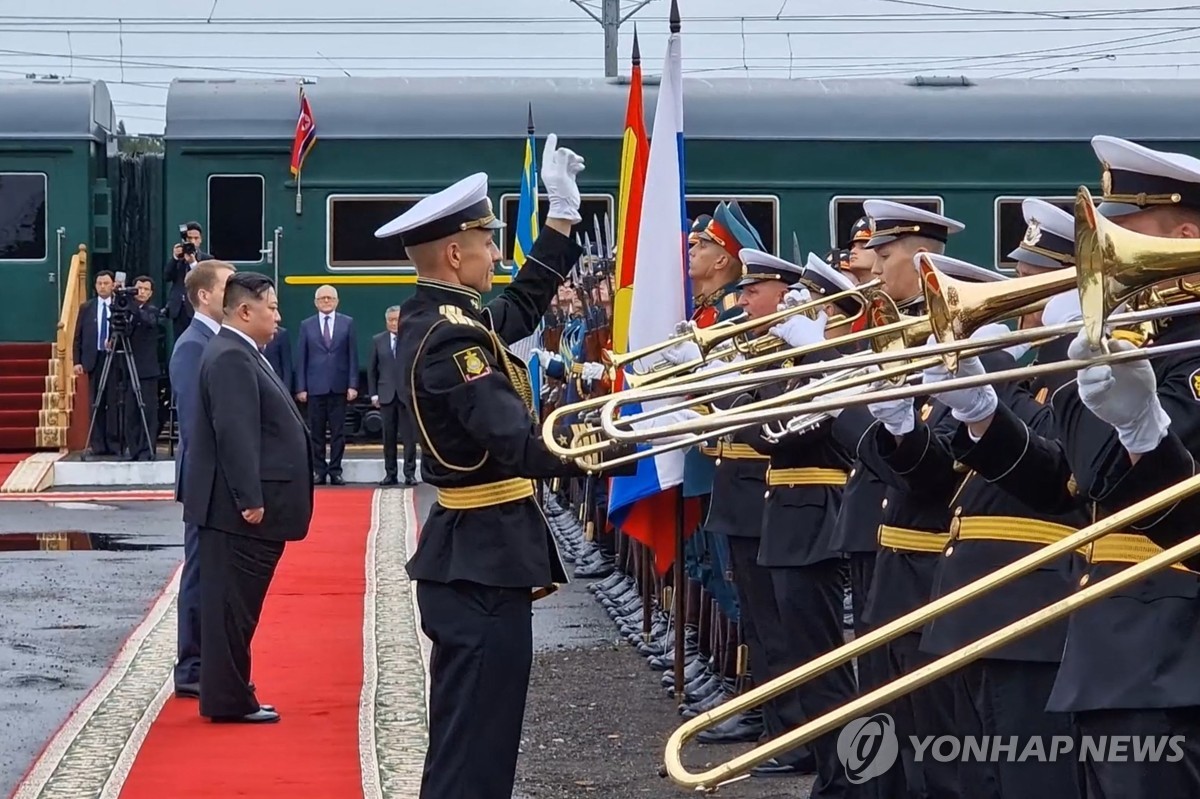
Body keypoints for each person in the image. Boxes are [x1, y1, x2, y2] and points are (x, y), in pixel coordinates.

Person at [374, 135, 633, 799]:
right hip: (480, 561)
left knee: (476, 742)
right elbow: (521, 443)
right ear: (456, 253)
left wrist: (563, 219)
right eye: (489, 242)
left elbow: (518, 307)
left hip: (478, 556)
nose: (497, 253)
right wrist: (624, 433)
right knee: (475, 755)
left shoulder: (446, 317)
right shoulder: (450, 339)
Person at [183, 271, 313, 724]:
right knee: (231, 611)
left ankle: (231, 693)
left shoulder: (242, 352)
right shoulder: (231, 357)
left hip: (240, 510)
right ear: (244, 311)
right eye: (272, 307)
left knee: (234, 610)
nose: (278, 316)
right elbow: (235, 432)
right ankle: (228, 699)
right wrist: (249, 498)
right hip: (238, 514)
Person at [167, 259, 236, 699]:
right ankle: (191, 665)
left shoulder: (217, 340)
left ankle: (207, 660)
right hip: (206, 482)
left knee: (217, 575)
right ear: (205, 295)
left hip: (217, 482)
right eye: (228, 286)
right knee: (200, 575)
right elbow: (198, 425)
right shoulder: (194, 346)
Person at [296, 285, 359, 485]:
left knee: (338, 432)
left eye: (329, 298)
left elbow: (352, 357)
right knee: (316, 432)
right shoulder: (306, 325)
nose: (326, 301)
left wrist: (353, 384)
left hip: (339, 387)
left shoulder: (347, 323)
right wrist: (301, 387)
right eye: (322, 298)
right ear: (315, 302)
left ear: (336, 301)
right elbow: (302, 358)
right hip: (315, 388)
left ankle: (336, 471)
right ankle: (319, 471)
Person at [368, 305, 417, 486]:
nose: (395, 323)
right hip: (386, 395)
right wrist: (373, 394)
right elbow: (373, 370)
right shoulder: (377, 340)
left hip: (406, 396)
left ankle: (409, 474)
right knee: (388, 438)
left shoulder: (411, 340)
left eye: (398, 319)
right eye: (391, 320)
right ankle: (390, 474)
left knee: (409, 438)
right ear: (386, 322)